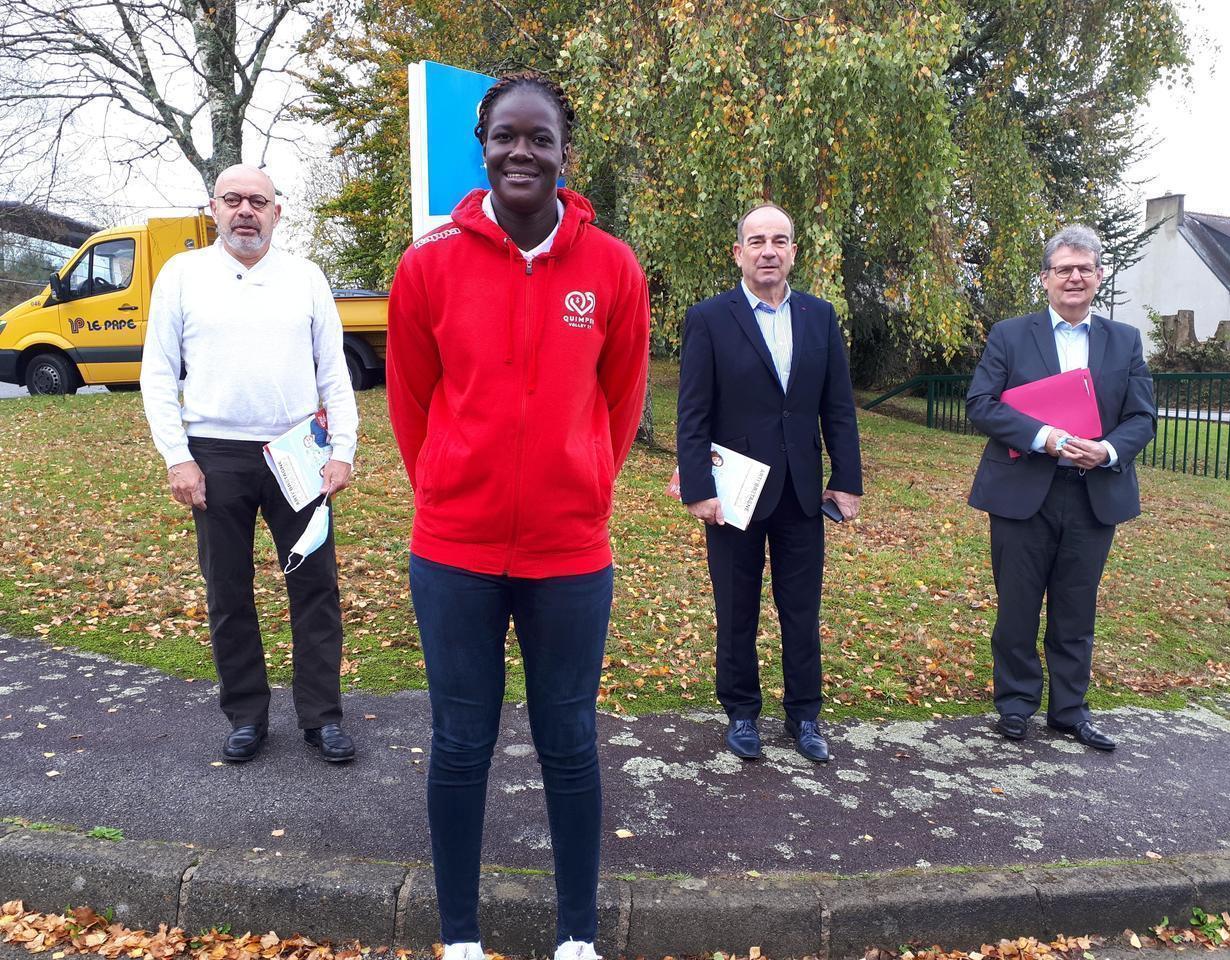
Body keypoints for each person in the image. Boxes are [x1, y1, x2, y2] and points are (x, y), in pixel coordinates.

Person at [386, 72, 649, 960]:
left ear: (565, 153)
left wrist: (581, 487)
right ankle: (459, 936)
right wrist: (451, 487)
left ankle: (577, 935)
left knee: (569, 742)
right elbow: (413, 403)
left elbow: (621, 401)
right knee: (461, 742)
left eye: (540, 138)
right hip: (453, 552)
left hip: (570, 554)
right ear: (484, 145)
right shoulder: (427, 267)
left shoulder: (611, 267)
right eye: (506, 136)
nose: (522, 152)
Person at [140, 163, 358, 764]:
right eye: (232, 199)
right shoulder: (183, 277)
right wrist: (177, 458)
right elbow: (157, 374)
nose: (245, 211)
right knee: (228, 590)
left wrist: (343, 450)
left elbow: (333, 371)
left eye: (257, 201)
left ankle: (322, 718)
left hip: (298, 452)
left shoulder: (306, 278)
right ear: (213, 208)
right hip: (216, 454)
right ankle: (246, 715)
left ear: (276, 212)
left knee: (315, 586)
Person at [676, 203, 863, 764]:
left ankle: (805, 716)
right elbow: (693, 413)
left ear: (793, 252)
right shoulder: (710, 318)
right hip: (734, 491)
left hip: (803, 493)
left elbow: (838, 408)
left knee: (801, 610)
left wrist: (846, 480)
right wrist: (697, 489)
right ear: (738, 252)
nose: (768, 251)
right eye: (756, 241)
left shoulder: (819, 316)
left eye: (779, 240)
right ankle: (741, 713)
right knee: (737, 607)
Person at [966, 224, 1156, 752]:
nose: (1075, 277)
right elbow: (981, 404)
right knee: (1018, 606)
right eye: (1063, 269)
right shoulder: (1010, 334)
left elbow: (1142, 417)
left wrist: (1108, 450)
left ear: (1099, 277)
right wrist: (1044, 437)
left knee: (1076, 608)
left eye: (1085, 269)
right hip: (1024, 491)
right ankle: (1015, 705)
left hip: (1093, 493)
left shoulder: (1125, 340)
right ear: (1045, 278)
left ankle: (1069, 711)